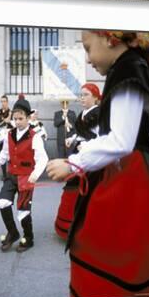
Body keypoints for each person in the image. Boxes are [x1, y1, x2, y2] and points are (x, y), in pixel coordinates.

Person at [46, 30, 149, 297]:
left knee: (108, 251)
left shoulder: (127, 71)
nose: (88, 59)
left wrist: (73, 163)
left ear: (110, 38)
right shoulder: (133, 69)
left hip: (131, 178)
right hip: (139, 172)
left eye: (89, 47)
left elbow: (121, 141)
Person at [0, 97, 49, 252]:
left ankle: (28, 238)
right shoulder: (9, 134)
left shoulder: (34, 136)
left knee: (23, 211)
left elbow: (43, 158)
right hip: (11, 175)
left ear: (28, 118)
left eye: (21, 118)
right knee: (3, 202)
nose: (17, 122)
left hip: (26, 178)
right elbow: (5, 153)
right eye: (15, 118)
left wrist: (35, 174)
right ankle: (13, 232)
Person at [54, 83, 101, 240]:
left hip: (89, 159)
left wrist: (85, 145)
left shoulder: (99, 114)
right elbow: (81, 133)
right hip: (78, 155)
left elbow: (102, 138)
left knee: (87, 191)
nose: (82, 98)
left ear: (95, 97)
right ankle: (68, 225)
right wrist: (72, 138)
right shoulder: (83, 113)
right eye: (81, 95)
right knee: (73, 188)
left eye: (86, 95)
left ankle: (85, 228)